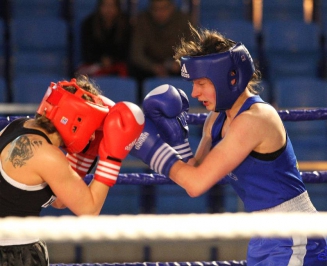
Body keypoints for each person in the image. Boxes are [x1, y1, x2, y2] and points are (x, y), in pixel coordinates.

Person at [130, 25, 327, 265]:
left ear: (230, 78)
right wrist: (177, 141)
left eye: (201, 83)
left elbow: (194, 184)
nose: (194, 93)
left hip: (294, 233)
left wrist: (151, 149)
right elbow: (193, 174)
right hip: (263, 235)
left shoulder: (255, 120)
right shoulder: (216, 119)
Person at [0, 75, 144, 265]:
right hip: (13, 252)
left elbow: (60, 200)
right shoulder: (46, 154)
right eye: (92, 127)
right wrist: (112, 157)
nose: (93, 136)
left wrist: (84, 155)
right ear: (77, 120)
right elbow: (89, 210)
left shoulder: (18, 126)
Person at [129, 0, 193, 96]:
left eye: (164, 8)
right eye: (156, 9)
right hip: (148, 68)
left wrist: (179, 62)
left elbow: (191, 49)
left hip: (176, 67)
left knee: (191, 70)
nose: (160, 13)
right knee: (133, 69)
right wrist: (153, 67)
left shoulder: (184, 21)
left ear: (172, 7)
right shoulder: (142, 20)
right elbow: (136, 54)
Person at [76, 0, 132, 77]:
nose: (108, 9)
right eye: (105, 5)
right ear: (99, 7)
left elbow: (126, 51)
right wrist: (101, 60)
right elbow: (87, 51)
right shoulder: (89, 24)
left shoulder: (125, 24)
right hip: (95, 63)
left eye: (112, 6)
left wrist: (112, 60)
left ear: (118, 7)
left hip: (117, 64)